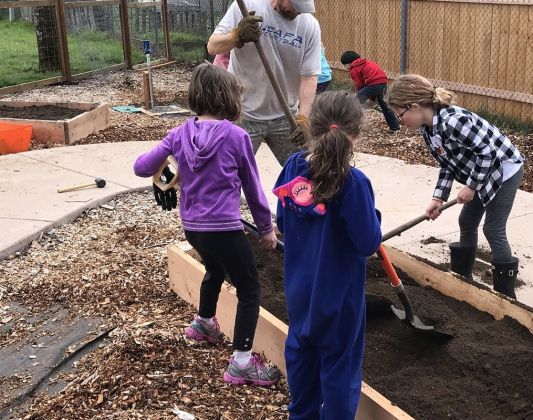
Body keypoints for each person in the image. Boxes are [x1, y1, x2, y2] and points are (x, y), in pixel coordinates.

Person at [133, 63, 282, 386]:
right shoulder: (237, 136)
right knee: (249, 287)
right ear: (228, 98)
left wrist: (165, 170)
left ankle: (203, 323)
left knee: (214, 271)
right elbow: (253, 187)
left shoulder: (179, 133)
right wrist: (266, 229)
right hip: (226, 229)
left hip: (193, 228)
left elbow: (141, 167)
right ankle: (242, 362)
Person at [273, 91, 382, 418]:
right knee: (340, 371)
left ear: (313, 129)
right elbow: (367, 243)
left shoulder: (293, 167)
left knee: (302, 360)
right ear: (357, 135)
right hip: (339, 304)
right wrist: (373, 218)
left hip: (300, 297)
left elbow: (281, 221)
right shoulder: (354, 183)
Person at [387, 74, 525, 299]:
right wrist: (438, 198)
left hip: (504, 169)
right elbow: (447, 163)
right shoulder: (429, 130)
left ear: (414, 106)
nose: (401, 120)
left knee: (493, 228)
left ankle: (506, 296)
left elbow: (488, 153)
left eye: (400, 114)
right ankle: (463, 282)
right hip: (482, 172)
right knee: (466, 221)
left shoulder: (453, 121)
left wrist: (471, 186)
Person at [208, 0, 321, 164]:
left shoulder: (310, 26)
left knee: (303, 174)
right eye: (295, 6)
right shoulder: (249, 6)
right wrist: (236, 36)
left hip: (285, 115)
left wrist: (303, 118)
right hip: (241, 113)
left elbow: (309, 77)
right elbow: (213, 46)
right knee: (228, 176)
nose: (299, 12)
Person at [340, 50, 400, 133]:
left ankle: (350, 125)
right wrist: (370, 97)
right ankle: (395, 127)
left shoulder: (354, 69)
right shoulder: (367, 62)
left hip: (373, 85)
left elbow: (359, 85)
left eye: (345, 65)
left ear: (349, 63)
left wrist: (359, 95)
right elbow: (374, 79)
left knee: (354, 103)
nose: (346, 67)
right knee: (385, 106)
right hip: (383, 83)